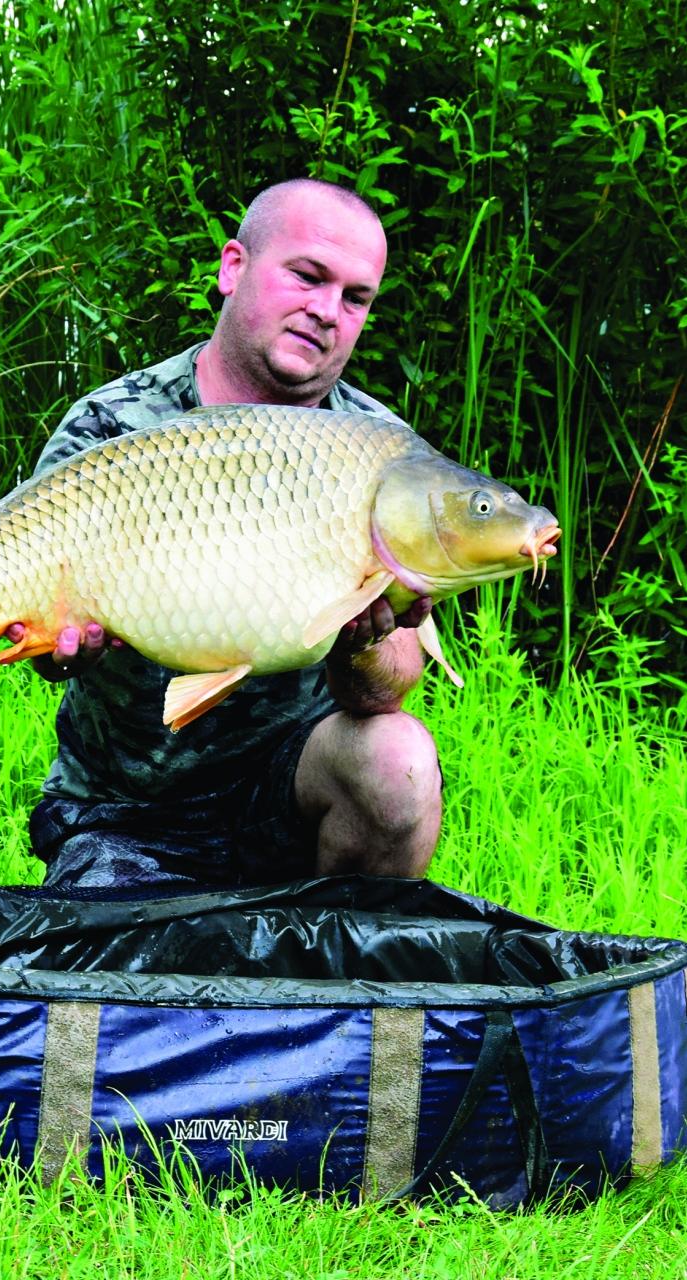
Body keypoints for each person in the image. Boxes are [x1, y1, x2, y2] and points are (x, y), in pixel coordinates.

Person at [24, 178, 443, 891]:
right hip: (127, 808)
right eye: (307, 276)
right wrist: (60, 647)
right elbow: (47, 654)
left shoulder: (380, 455)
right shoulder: (113, 426)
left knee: (396, 761)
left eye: (355, 298)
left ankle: (331, 955)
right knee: (124, 960)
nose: (326, 311)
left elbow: (386, 691)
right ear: (233, 268)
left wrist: (364, 636)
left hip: (291, 797)